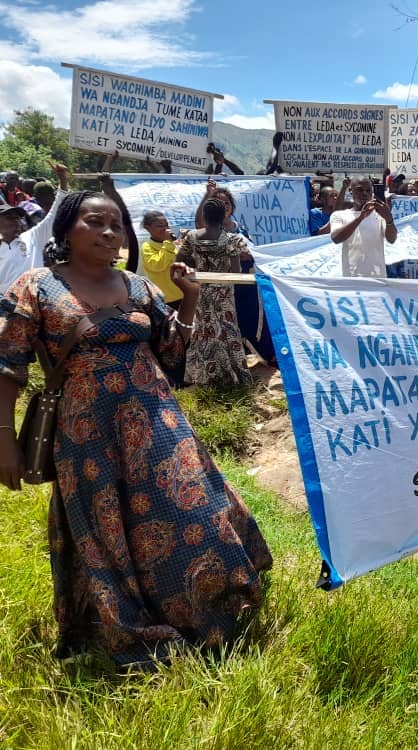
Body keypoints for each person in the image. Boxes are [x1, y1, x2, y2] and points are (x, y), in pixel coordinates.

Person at [0, 190, 272, 667]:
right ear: (65, 229)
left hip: (159, 424)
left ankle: (212, 612)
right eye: (95, 222)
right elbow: (7, 368)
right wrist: (4, 439)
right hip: (88, 435)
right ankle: (127, 627)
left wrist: (189, 300)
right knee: (106, 532)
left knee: (197, 509)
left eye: (117, 225)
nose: (109, 232)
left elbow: (171, 355)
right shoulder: (35, 287)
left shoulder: (139, 286)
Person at [176, 198, 255, 386]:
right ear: (223, 216)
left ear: (204, 215)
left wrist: (199, 271)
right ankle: (233, 375)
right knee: (227, 331)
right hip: (224, 293)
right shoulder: (232, 240)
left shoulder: (191, 237)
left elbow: (181, 260)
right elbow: (236, 272)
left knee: (203, 331)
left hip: (200, 291)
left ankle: (204, 376)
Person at [0, 164, 68, 294]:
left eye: (18, 217)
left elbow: (55, 213)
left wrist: (63, 181)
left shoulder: (33, 236)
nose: (17, 221)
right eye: (10, 217)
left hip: (36, 301)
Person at [330, 178, 397, 278]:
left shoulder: (380, 215)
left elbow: (391, 239)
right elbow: (336, 238)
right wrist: (361, 217)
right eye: (360, 190)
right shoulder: (339, 215)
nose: (364, 193)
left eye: (368, 190)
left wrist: (389, 219)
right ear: (351, 191)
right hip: (352, 279)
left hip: (378, 279)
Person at [140, 211, 183, 307]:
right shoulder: (147, 247)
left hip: (182, 294)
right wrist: (168, 243)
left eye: (166, 225)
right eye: (160, 226)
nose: (165, 229)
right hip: (166, 299)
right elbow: (157, 265)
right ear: (148, 228)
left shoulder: (174, 244)